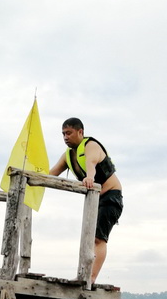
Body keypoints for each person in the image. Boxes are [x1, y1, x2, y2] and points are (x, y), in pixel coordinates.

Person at [49, 117, 123, 283]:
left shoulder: (91, 145)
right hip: (94, 201)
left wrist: (90, 178)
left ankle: (91, 278)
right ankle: (83, 275)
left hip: (111, 197)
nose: (65, 137)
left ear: (80, 132)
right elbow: (52, 173)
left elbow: (91, 162)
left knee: (98, 238)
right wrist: (31, 176)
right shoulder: (68, 155)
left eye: (69, 133)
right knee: (88, 239)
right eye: (63, 134)